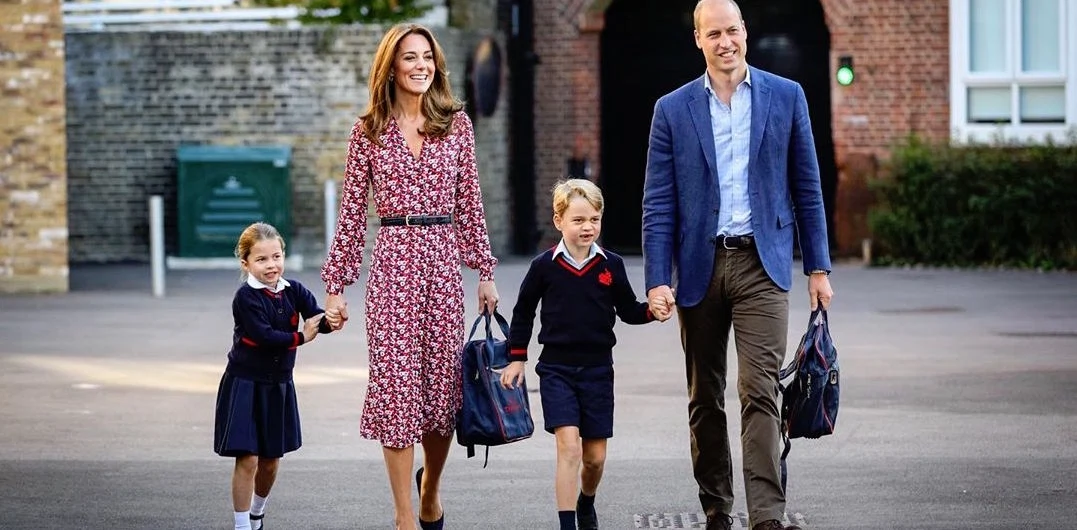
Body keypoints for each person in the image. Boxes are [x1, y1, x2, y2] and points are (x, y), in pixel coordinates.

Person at [641, 1, 835, 530]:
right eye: (714, 34)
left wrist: (818, 268)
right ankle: (716, 507)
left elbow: (808, 188)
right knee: (705, 396)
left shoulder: (786, 96)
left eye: (732, 31)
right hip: (698, 268)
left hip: (762, 265)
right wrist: (657, 279)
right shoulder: (671, 109)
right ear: (698, 39)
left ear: (745, 32)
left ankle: (767, 514)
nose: (725, 42)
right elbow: (658, 203)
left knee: (760, 389)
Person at [319, 23, 500, 530]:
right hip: (393, 265)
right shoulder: (368, 132)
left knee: (442, 394)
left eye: (427, 57)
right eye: (410, 58)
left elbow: (470, 204)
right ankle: (403, 517)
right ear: (391, 68)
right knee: (397, 392)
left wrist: (484, 270)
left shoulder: (456, 125)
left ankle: (430, 490)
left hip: (442, 263)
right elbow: (352, 215)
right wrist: (336, 286)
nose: (421, 65)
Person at [500, 179, 669, 530]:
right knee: (569, 449)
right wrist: (517, 357)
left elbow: (628, 310)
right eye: (578, 220)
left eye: (594, 219)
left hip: (597, 370)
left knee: (594, 458)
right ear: (559, 220)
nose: (587, 227)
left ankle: (586, 500)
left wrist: (652, 311)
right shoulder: (544, 266)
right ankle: (567, 524)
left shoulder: (611, 265)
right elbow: (523, 311)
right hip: (556, 370)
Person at [213, 222, 332, 530]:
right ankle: (241, 525)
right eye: (261, 259)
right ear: (246, 263)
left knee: (270, 460)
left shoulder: (294, 290)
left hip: (278, 385)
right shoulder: (246, 298)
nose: (271, 265)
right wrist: (302, 337)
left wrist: (331, 319)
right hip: (245, 383)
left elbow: (315, 315)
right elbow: (263, 336)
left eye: (276, 257)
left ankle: (257, 513)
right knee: (248, 458)